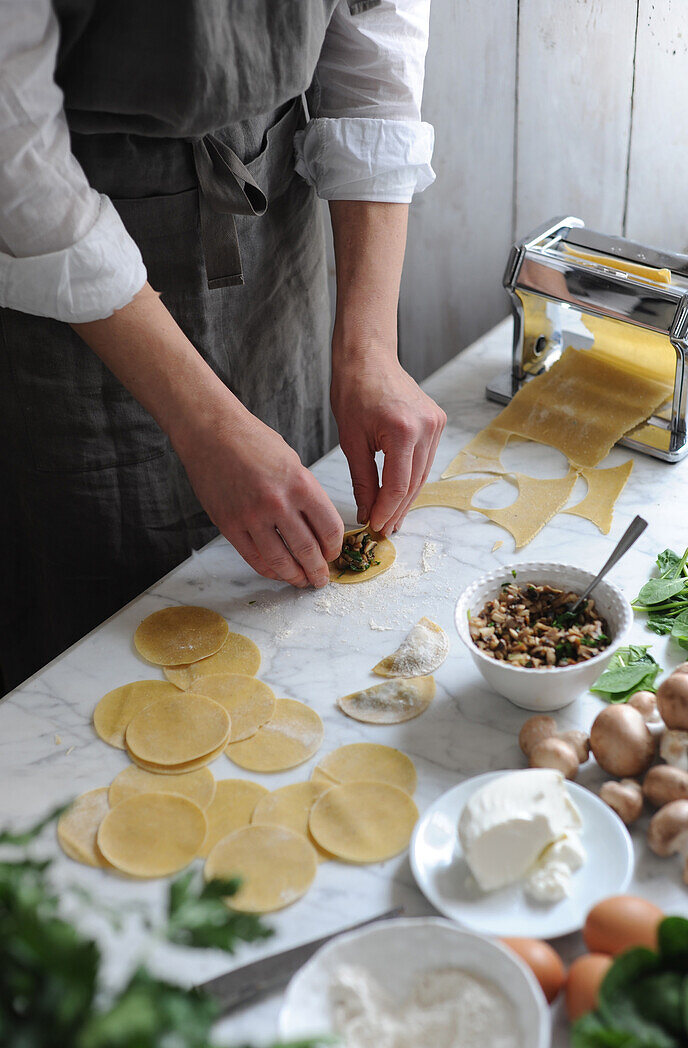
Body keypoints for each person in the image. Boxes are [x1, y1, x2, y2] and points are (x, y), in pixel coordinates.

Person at [0, 0, 446, 692]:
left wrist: (370, 346)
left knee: (288, 602)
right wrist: (201, 417)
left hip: (268, 198)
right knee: (99, 644)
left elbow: (373, 28)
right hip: (57, 244)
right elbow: (13, 151)